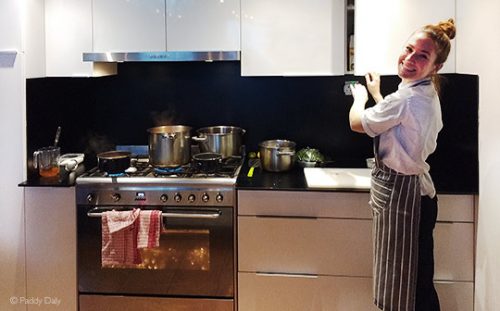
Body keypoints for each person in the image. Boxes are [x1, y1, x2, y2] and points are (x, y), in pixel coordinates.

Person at [348, 19, 456, 311]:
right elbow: (396, 122)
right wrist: (377, 96)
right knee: (417, 283)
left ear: (436, 67)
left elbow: (358, 123)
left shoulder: (406, 98)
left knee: (405, 290)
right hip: (418, 197)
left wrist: (359, 99)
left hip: (405, 201)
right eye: (409, 49)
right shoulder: (425, 93)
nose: (409, 59)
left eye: (422, 55)